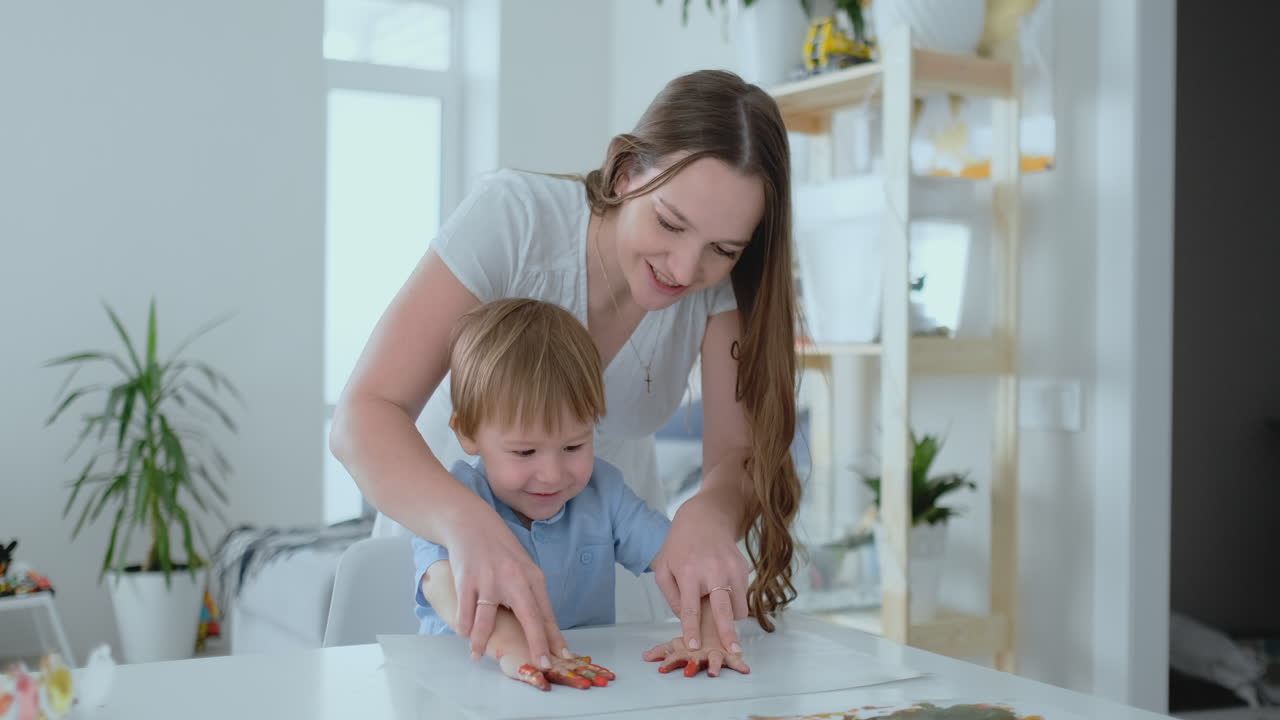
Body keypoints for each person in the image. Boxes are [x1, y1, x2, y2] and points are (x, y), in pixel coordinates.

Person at [330, 68, 802, 671]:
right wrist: (466, 524)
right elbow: (363, 416)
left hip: (593, 579)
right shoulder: (516, 221)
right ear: (625, 170)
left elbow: (736, 456)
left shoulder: (720, 288)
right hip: (452, 552)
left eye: (724, 250)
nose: (686, 269)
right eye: (669, 223)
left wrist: (711, 512)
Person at [412, 298, 749, 690]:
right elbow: (442, 585)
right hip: (459, 689)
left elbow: (686, 563)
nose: (552, 474)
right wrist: (513, 648)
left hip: (579, 693)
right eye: (525, 452)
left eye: (574, 446)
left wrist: (705, 634)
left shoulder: (603, 492)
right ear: (467, 433)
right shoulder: (452, 500)